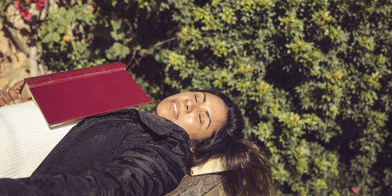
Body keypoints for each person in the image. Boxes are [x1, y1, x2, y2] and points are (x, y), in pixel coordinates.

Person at [0, 82, 274, 195]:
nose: (191, 105)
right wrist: (22, 112)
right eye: (198, 97)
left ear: (196, 144)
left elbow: (104, 189)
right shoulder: (134, 113)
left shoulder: (167, 154)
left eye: (201, 118)